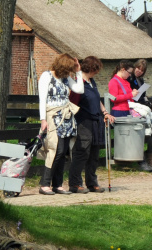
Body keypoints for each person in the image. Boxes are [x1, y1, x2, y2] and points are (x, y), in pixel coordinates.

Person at [38, 52, 83, 195]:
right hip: (53, 117)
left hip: (66, 117)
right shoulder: (47, 76)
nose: (69, 72)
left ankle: (57, 184)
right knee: (55, 149)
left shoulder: (65, 78)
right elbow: (42, 99)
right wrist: (43, 119)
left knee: (63, 152)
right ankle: (45, 184)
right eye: (68, 69)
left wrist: (78, 72)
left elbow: (79, 89)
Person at [70, 56, 112, 193]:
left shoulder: (92, 82)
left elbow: (97, 99)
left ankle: (92, 182)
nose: (97, 72)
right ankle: (75, 183)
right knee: (82, 152)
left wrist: (105, 112)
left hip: (96, 120)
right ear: (91, 68)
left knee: (94, 153)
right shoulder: (79, 82)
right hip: (83, 120)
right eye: (96, 69)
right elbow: (73, 102)